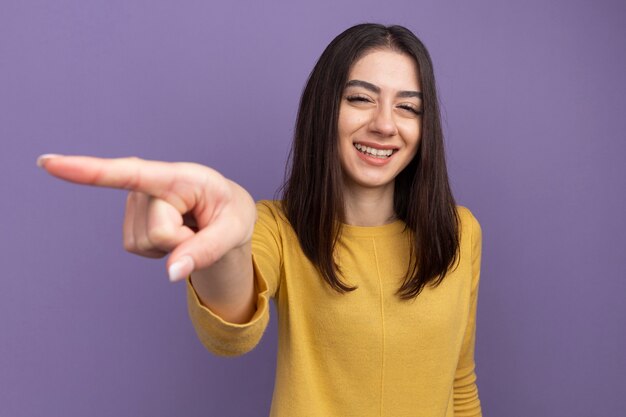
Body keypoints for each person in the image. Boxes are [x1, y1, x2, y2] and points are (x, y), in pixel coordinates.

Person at [39, 23, 482, 417]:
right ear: (324, 109)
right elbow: (230, 334)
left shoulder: (461, 232)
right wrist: (227, 237)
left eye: (409, 108)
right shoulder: (277, 228)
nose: (385, 124)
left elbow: (460, 384)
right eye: (361, 99)